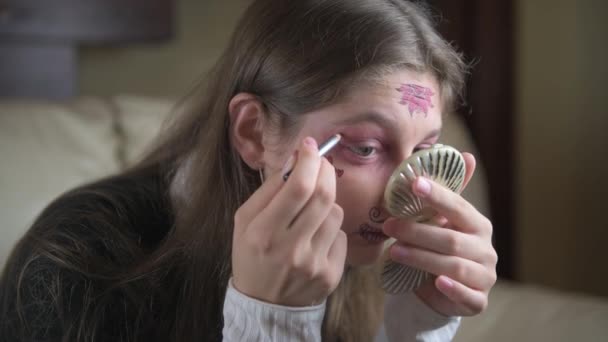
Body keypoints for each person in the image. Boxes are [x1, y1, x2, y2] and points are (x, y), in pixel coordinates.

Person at [0, 0, 497, 341]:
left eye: (424, 150)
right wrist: (271, 321)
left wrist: (418, 322)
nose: (403, 192)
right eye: (365, 148)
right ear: (253, 132)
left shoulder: (363, 251)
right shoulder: (74, 262)